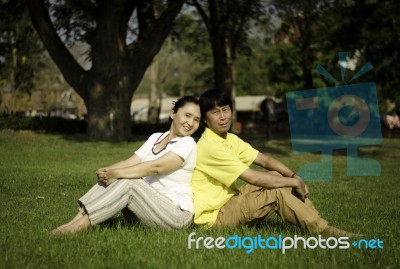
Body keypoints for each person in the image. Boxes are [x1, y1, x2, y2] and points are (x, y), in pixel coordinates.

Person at [191, 89, 359, 237]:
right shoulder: (209, 145)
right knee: (275, 192)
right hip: (215, 218)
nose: (223, 117)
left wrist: (294, 176)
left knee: (277, 176)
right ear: (205, 119)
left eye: (225, 110)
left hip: (230, 201)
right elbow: (253, 178)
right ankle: (323, 230)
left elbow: (264, 160)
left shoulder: (228, 139)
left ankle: (315, 219)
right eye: (215, 112)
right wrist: (294, 181)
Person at [52, 96, 201, 234]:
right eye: (187, 115)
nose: (191, 123)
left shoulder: (188, 143)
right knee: (116, 176)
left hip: (175, 215)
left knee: (129, 181)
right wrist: (108, 171)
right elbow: (131, 162)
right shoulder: (156, 137)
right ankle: (73, 222)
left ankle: (80, 226)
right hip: (147, 209)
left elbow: (157, 167)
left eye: (196, 120)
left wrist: (117, 173)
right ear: (173, 113)